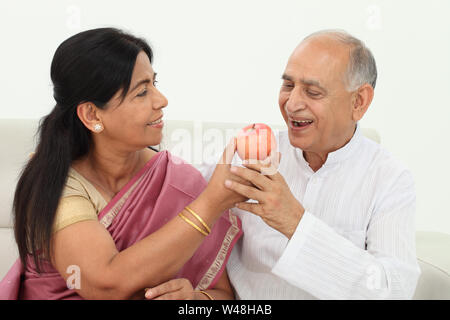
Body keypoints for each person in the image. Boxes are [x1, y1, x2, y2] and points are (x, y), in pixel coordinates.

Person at [0, 28, 246, 300]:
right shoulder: (55, 182)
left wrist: (195, 299)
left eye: (154, 83)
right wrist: (211, 203)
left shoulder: (180, 181)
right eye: (141, 92)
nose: (161, 100)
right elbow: (105, 285)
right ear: (92, 114)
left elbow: (225, 295)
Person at [198, 30, 421, 299]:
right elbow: (176, 192)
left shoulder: (390, 179)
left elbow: (393, 291)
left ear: (358, 101)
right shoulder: (249, 155)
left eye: (313, 92)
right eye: (288, 86)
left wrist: (295, 222)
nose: (291, 104)